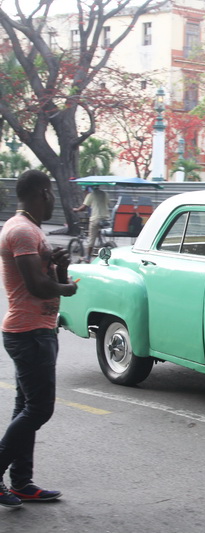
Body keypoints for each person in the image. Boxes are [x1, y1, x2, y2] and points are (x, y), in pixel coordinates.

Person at [0, 170, 78, 509]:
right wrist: (67, 288)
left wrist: (59, 268)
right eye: (52, 195)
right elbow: (36, 286)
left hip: (38, 330)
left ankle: (21, 482)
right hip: (29, 333)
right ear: (43, 193)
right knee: (39, 409)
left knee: (26, 407)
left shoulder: (30, 229)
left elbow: (46, 279)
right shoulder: (21, 231)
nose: (53, 201)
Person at [72, 185, 109, 261]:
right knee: (98, 232)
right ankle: (101, 245)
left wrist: (76, 210)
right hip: (105, 218)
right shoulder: (105, 194)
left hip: (95, 218)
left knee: (91, 238)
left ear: (87, 190)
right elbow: (107, 203)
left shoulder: (91, 195)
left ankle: (88, 257)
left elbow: (84, 207)